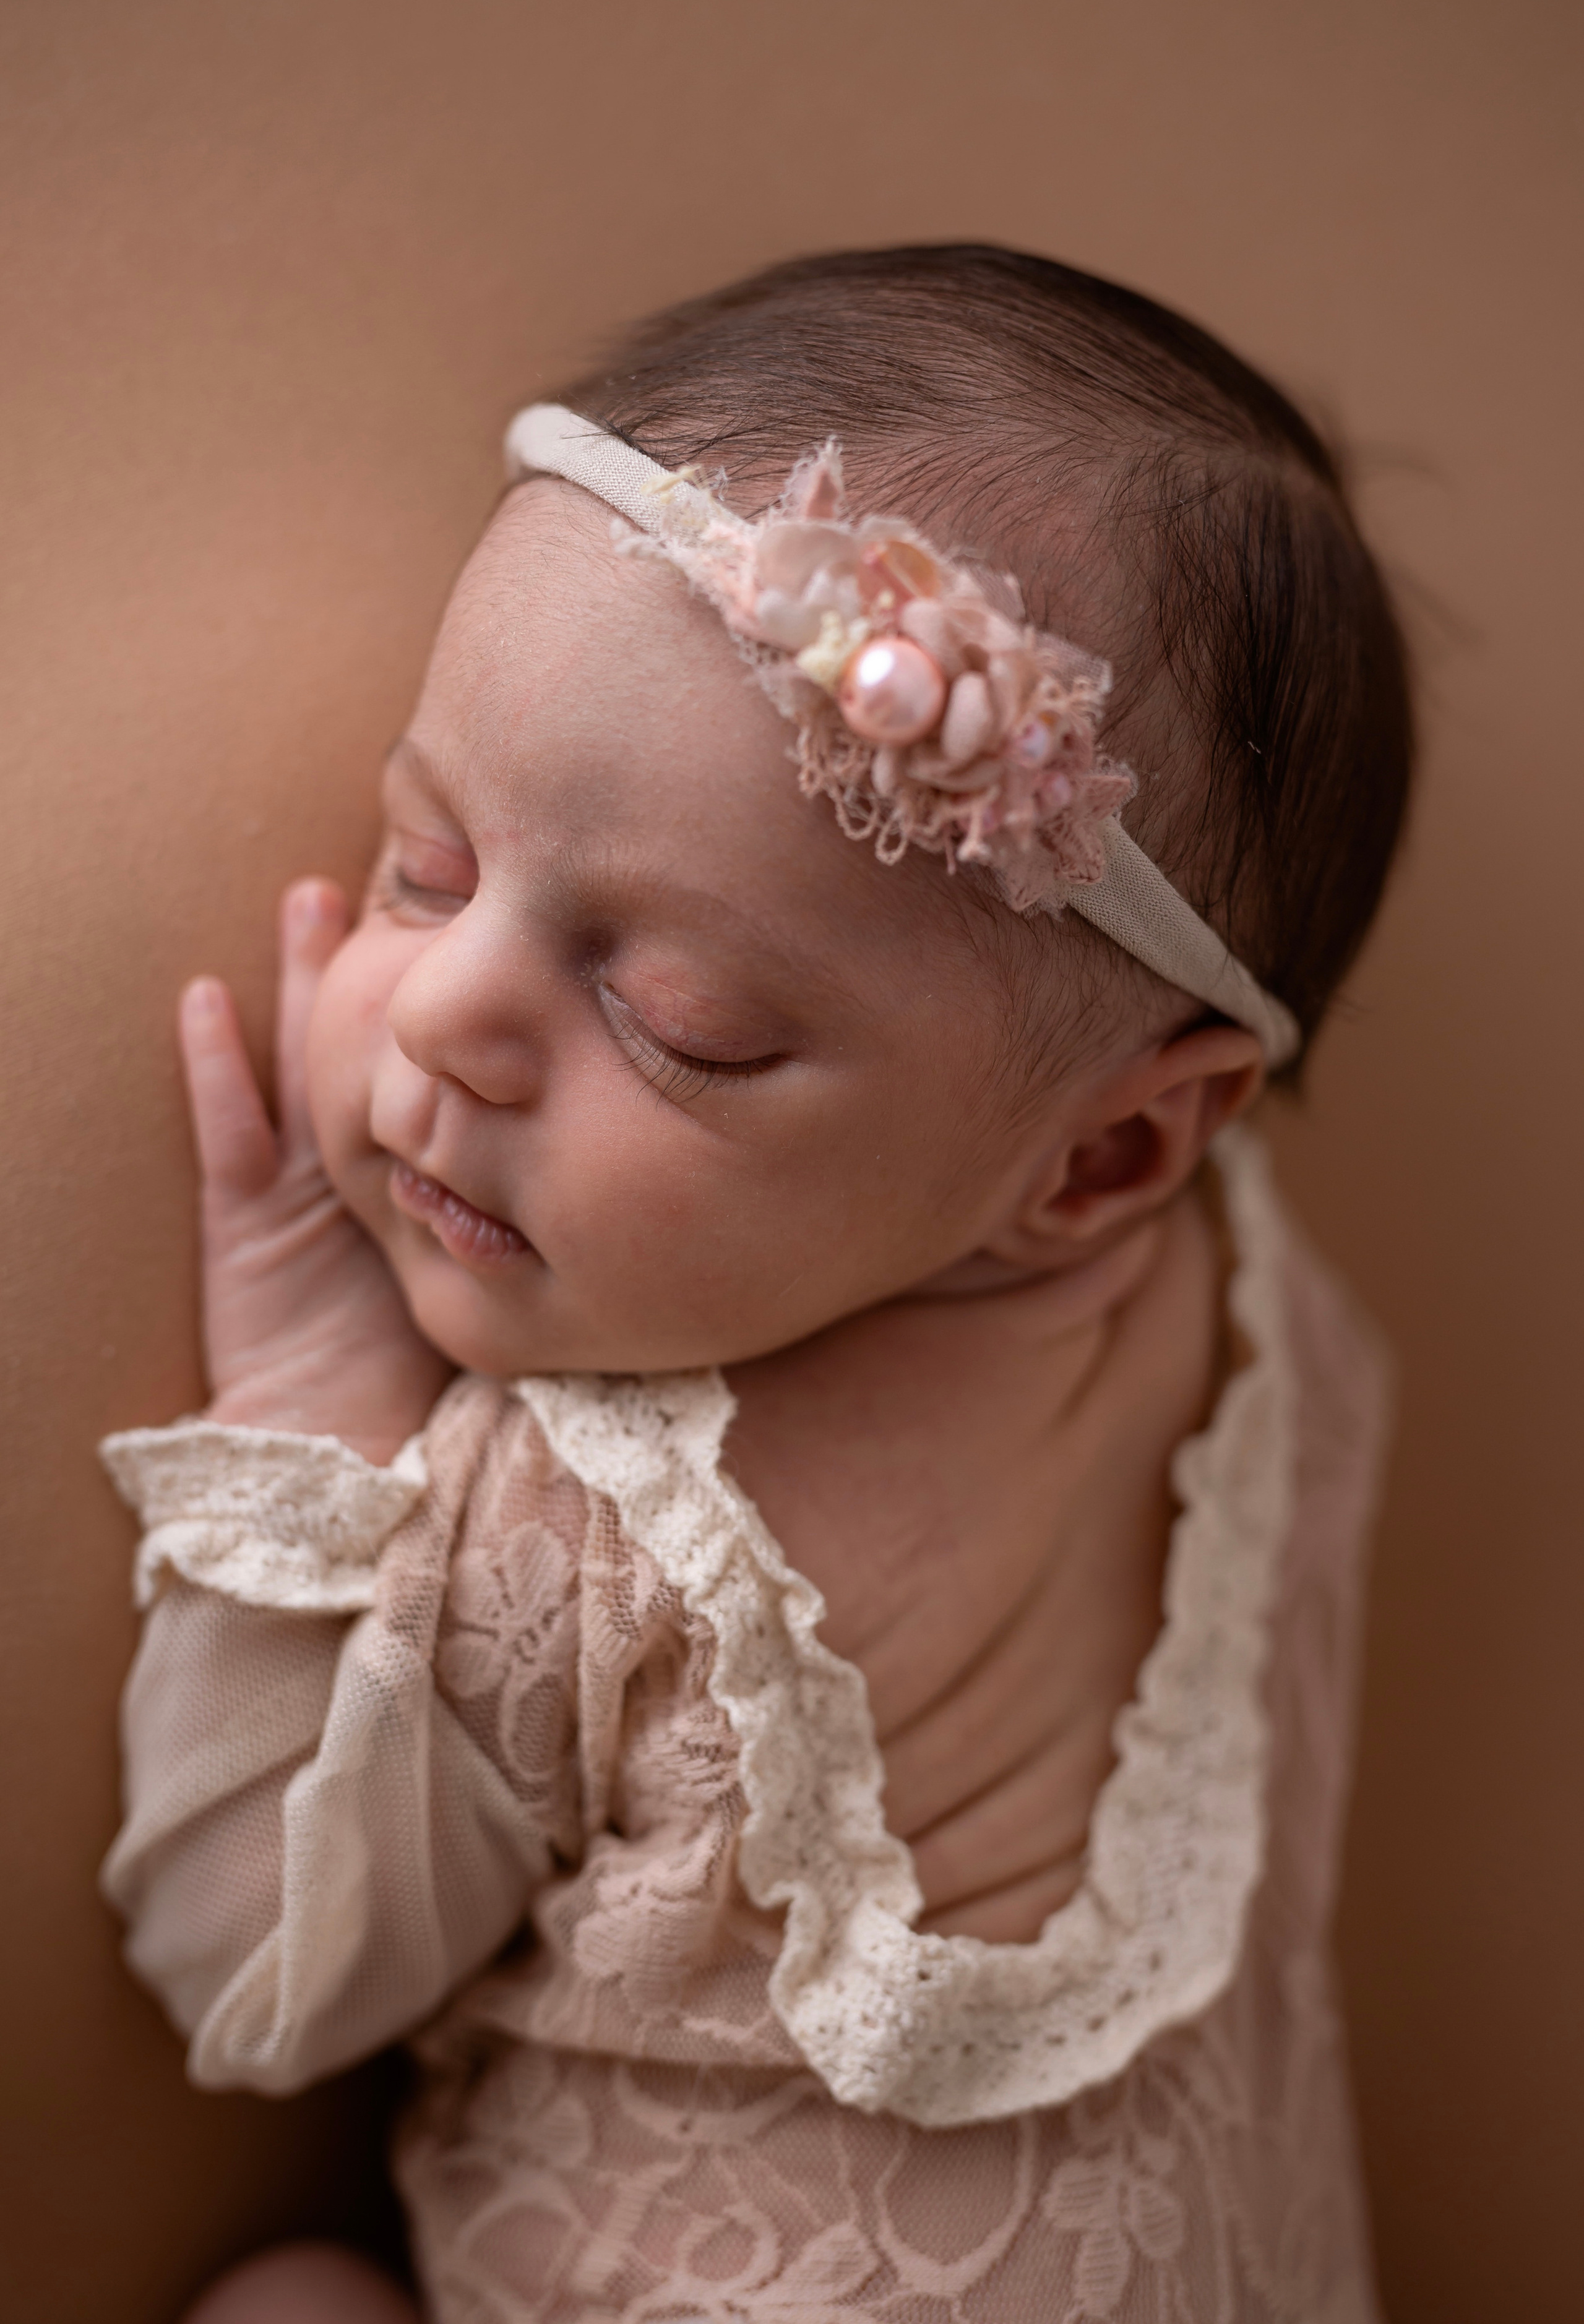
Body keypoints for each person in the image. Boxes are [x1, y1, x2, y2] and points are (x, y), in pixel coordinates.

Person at [99, 245, 1411, 2323]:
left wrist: (315, 1407)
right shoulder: (1282, 1329)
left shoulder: (604, 1533)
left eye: (682, 1023)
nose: (437, 1015)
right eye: (429, 862)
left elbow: (248, 1966)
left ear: (1105, 1158)